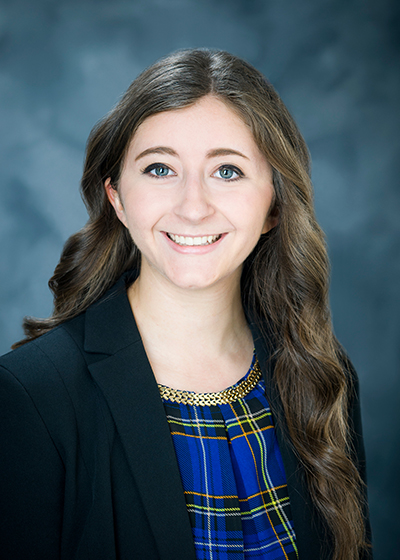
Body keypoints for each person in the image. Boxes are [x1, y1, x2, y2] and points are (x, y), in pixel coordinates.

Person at [0, 49, 371, 560]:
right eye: (159, 169)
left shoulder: (324, 376)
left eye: (227, 172)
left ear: (274, 206)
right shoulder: (31, 397)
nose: (193, 207)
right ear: (117, 198)